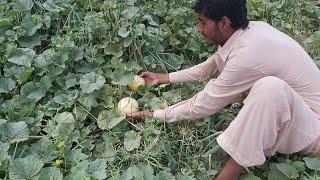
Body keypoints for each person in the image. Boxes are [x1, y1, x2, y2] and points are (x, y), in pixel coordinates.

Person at [127, 0, 320, 179]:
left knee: (270, 89)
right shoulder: (253, 31)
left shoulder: (247, 54)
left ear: (224, 23)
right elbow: (213, 64)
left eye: (203, 23)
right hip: (300, 116)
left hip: (315, 132)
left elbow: (203, 104)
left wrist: (154, 114)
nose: (199, 29)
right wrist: (164, 78)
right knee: (266, 88)